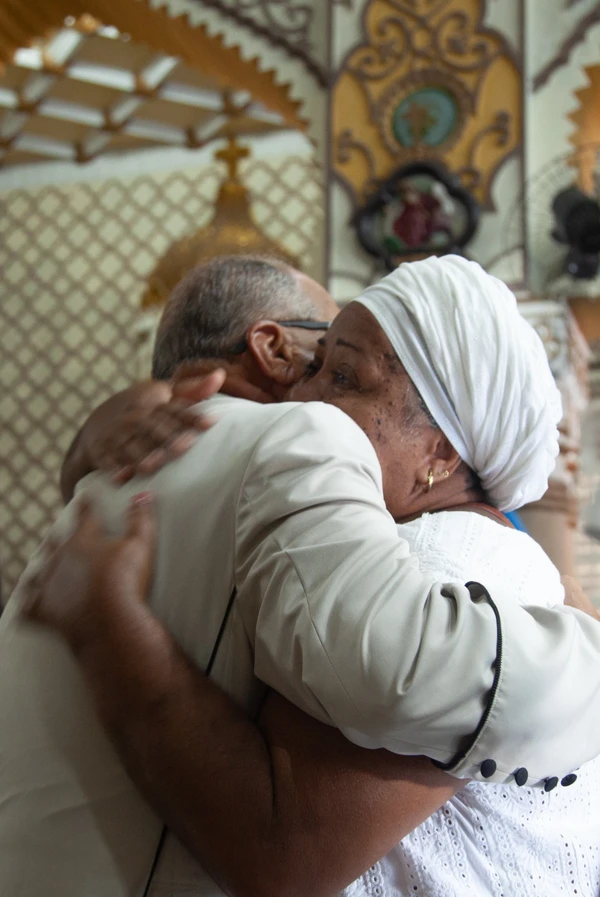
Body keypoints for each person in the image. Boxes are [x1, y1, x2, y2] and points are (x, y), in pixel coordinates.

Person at [4, 255, 600, 897]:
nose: (304, 400)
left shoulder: (452, 558)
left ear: (442, 452)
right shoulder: (349, 534)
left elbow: (282, 857)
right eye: (316, 366)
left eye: (340, 374)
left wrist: (107, 624)